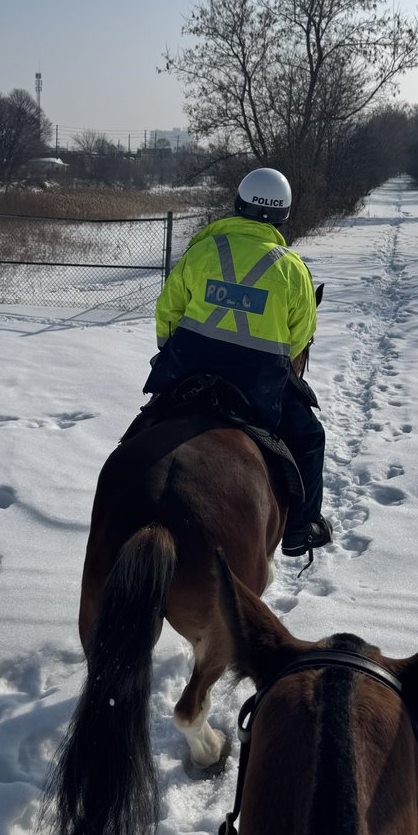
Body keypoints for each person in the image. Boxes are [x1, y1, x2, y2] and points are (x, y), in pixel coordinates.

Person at [143, 166, 332, 557]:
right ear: (283, 215)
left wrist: (170, 351)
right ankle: (301, 529)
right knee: (310, 437)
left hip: (189, 369)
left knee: (147, 423)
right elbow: (298, 337)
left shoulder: (202, 250)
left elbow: (168, 311)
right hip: (257, 382)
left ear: (238, 204)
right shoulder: (292, 268)